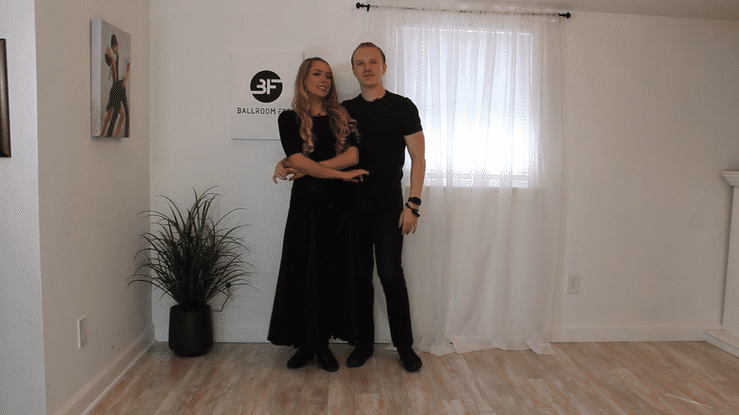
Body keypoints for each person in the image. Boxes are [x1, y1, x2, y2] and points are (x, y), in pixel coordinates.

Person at [274, 43, 426, 373]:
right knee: (358, 277)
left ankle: (404, 345)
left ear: (384, 66)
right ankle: (364, 343)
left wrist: (413, 204)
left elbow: (419, 158)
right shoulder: (344, 112)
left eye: (373, 61)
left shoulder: (402, 107)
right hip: (349, 207)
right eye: (360, 63)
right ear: (354, 70)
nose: (367, 67)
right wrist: (287, 162)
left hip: (388, 207)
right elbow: (315, 145)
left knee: (390, 274)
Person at [267, 57, 369, 373]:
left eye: (328, 76)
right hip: (305, 209)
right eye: (317, 74)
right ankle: (305, 345)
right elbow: (297, 159)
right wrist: (337, 174)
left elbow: (352, 155)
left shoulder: (341, 117)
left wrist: (310, 169)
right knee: (303, 274)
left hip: (338, 210)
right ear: (304, 79)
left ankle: (322, 345)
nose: (324, 80)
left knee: (330, 275)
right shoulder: (288, 119)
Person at [99, 34, 130, 137]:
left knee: (110, 114)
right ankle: (112, 135)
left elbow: (115, 75)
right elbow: (116, 77)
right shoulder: (113, 60)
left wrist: (109, 54)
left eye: (113, 49)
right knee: (120, 115)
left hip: (114, 89)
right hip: (116, 88)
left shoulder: (114, 60)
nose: (113, 51)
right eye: (112, 50)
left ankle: (104, 134)